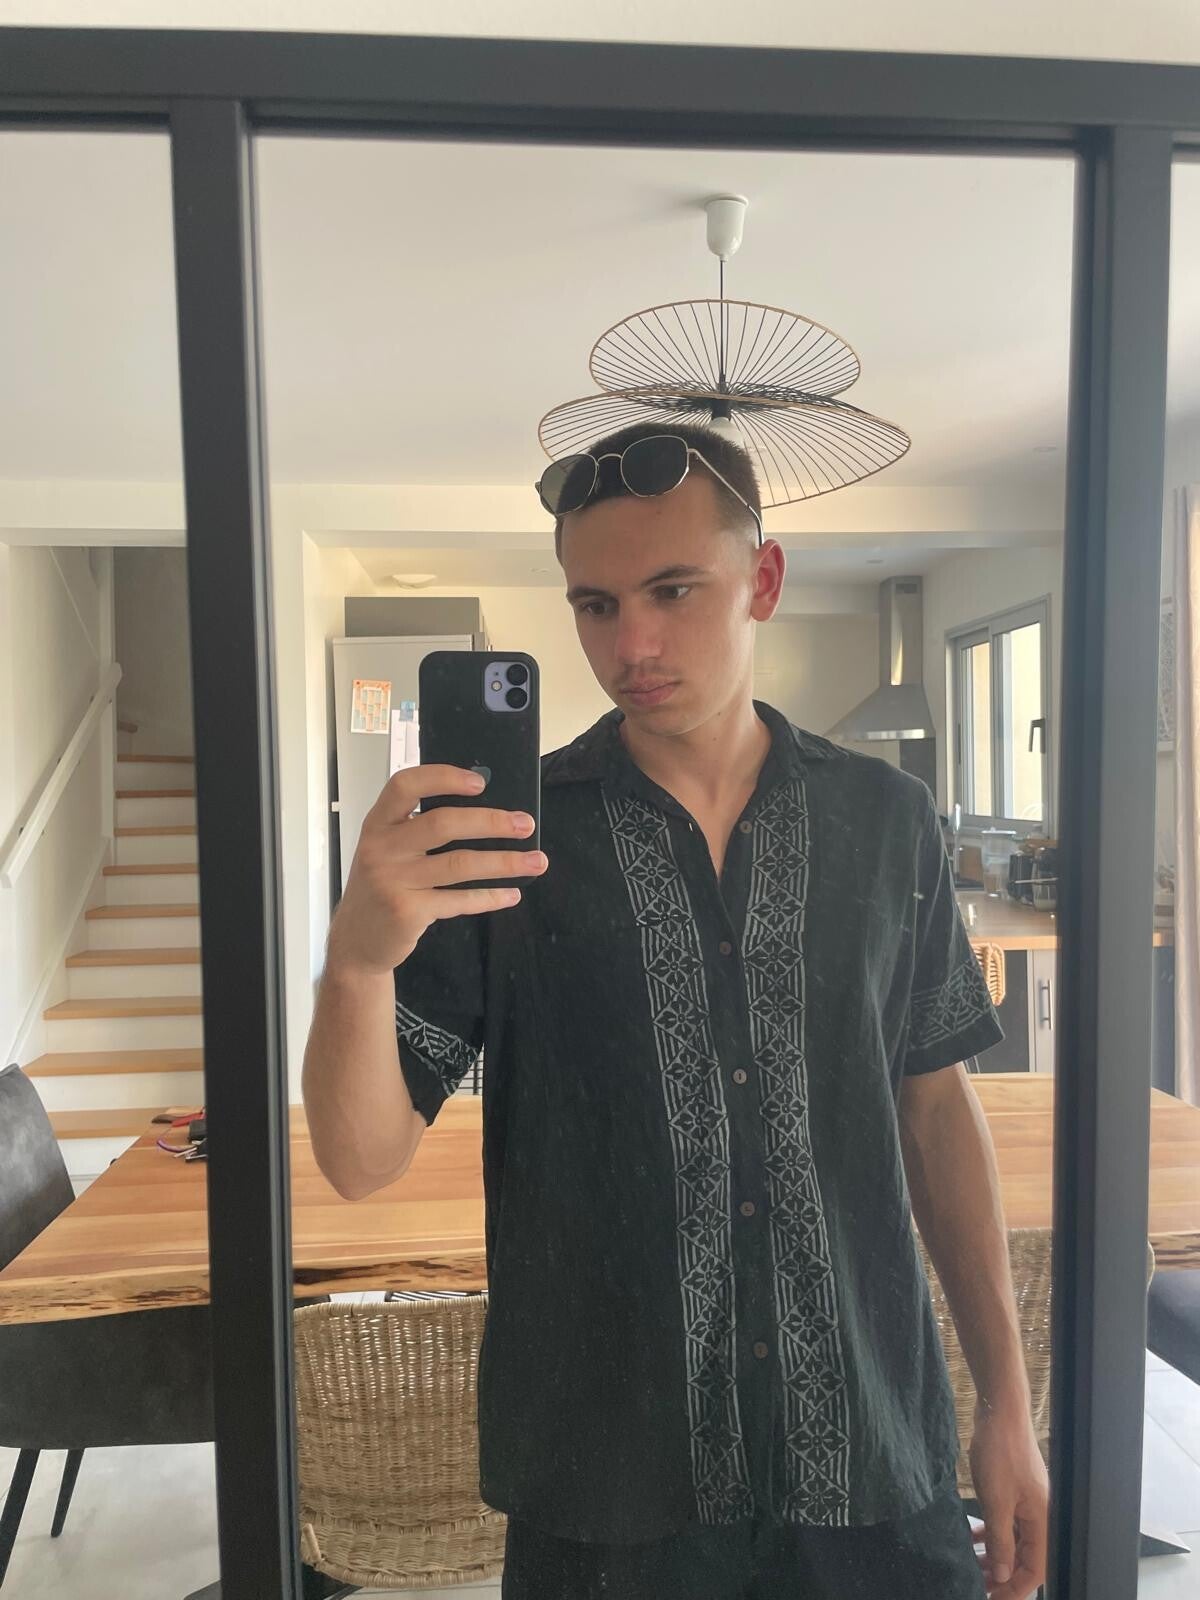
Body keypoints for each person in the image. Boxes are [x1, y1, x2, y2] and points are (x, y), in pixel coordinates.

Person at [302, 420, 1049, 1600]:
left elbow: (935, 1109)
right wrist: (355, 964)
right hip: (607, 1490)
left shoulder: (886, 821)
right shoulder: (509, 845)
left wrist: (1006, 1403)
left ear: (764, 581)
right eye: (595, 605)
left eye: (673, 590)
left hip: (869, 1463)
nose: (632, 644)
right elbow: (360, 1157)